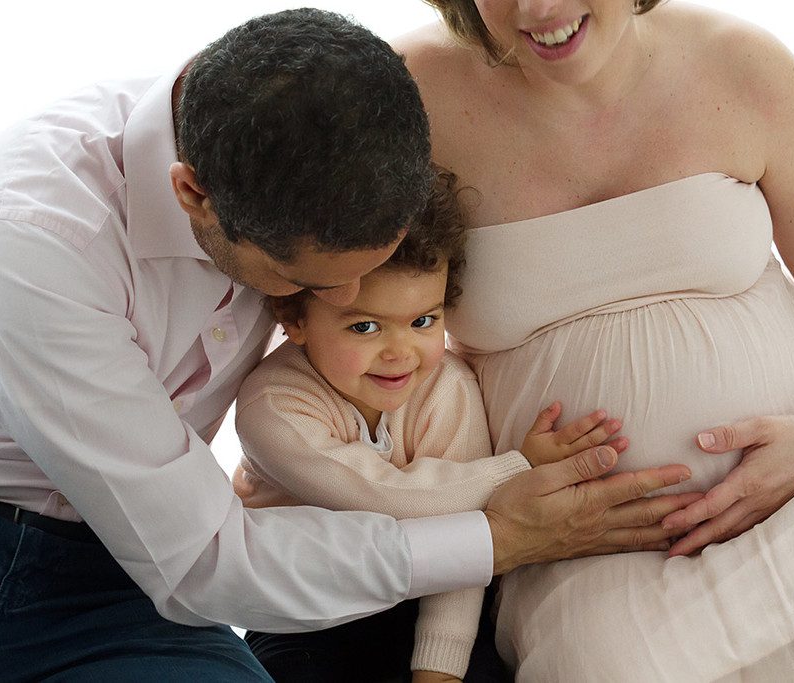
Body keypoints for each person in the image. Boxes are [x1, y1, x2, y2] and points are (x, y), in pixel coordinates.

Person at [0, 8, 693, 680]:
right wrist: (502, 537)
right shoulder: (41, 249)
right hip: (37, 549)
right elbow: (204, 564)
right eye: (304, 282)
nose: (348, 301)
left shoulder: (311, 119)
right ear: (194, 196)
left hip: (152, 552)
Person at [395, 0, 794, 678]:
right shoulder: (411, 99)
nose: (539, 8)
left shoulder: (741, 65)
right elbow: (344, 308)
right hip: (599, 553)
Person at [232, 170, 627, 682]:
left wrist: (437, 670)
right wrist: (517, 468)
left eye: (423, 321)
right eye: (364, 326)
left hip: (427, 597)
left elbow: (467, 543)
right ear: (295, 318)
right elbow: (388, 497)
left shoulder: (447, 388)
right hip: (308, 613)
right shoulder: (273, 405)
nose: (400, 354)